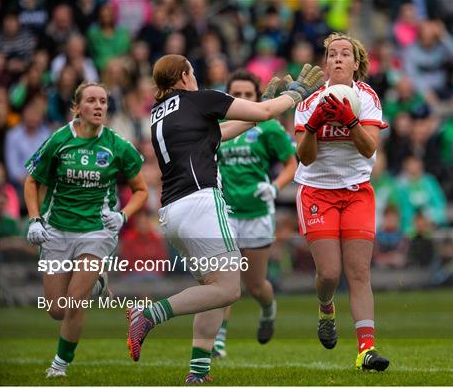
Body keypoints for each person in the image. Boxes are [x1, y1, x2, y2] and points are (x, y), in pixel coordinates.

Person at [126, 54, 323, 383]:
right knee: (229, 289)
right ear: (184, 76)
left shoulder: (161, 112)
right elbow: (262, 114)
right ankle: (148, 315)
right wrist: (295, 94)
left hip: (173, 211)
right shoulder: (199, 100)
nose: (196, 75)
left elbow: (225, 130)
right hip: (201, 201)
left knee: (212, 288)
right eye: (192, 70)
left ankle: (198, 372)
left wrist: (265, 103)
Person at [24, 82, 148, 378]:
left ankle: (59, 366)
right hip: (57, 230)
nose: (98, 106)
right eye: (91, 101)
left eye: (103, 101)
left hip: (97, 230)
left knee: (74, 303)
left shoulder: (117, 145)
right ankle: (97, 285)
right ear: (77, 107)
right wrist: (34, 219)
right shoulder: (58, 140)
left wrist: (123, 215)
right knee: (57, 309)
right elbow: (32, 181)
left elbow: (141, 189)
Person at [293, 32, 389, 371]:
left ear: (356, 63)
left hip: (356, 191)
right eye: (332, 54)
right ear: (325, 64)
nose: (337, 59)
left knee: (359, 272)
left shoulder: (367, 98)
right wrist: (316, 124)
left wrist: (349, 120)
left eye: (344, 54)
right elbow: (304, 157)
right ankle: (325, 306)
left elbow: (369, 148)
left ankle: (366, 350)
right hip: (317, 191)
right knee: (330, 274)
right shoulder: (308, 103)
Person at [212, 69, 298, 357]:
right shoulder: (216, 125)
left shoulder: (268, 127)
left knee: (255, 285)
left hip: (257, 213)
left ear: (257, 96)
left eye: (248, 94)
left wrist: (274, 187)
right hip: (225, 212)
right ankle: (218, 338)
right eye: (236, 94)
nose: (242, 99)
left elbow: (291, 164)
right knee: (224, 278)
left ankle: (267, 308)